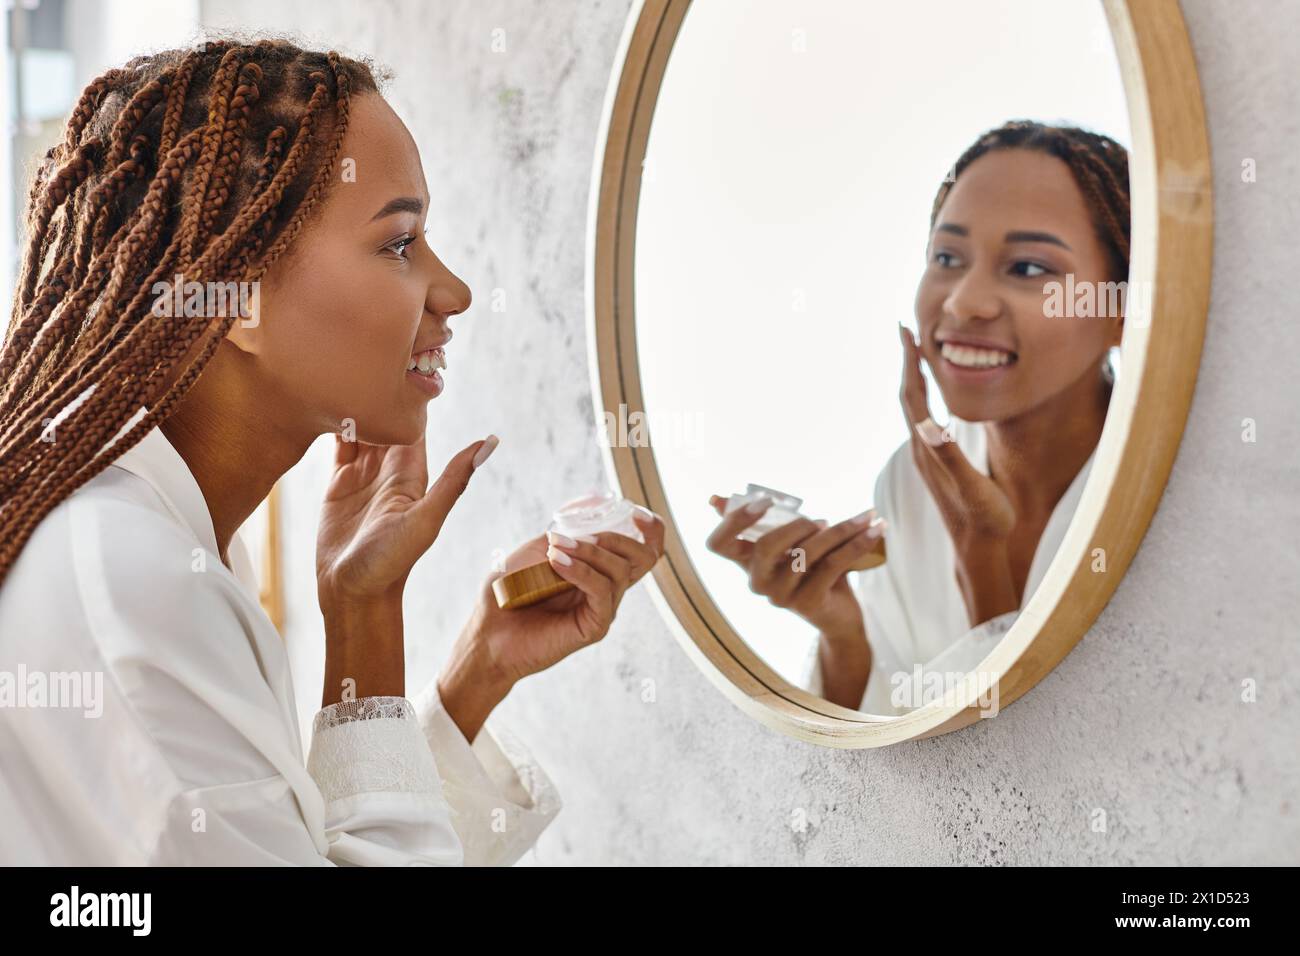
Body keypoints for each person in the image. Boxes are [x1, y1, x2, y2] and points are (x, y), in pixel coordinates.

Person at [0, 38, 664, 865]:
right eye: (398, 244)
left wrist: (385, 625)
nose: (453, 292)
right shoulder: (135, 582)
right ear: (235, 290)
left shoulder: (149, 541)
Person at [707, 121, 1128, 715]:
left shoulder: (1163, 494)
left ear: (1123, 308)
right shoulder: (908, 482)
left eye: (1029, 269)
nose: (961, 303)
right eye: (947, 257)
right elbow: (896, 745)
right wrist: (843, 634)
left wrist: (982, 564)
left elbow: (1069, 764)